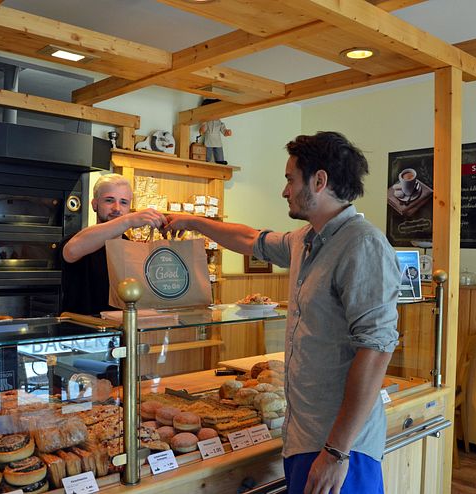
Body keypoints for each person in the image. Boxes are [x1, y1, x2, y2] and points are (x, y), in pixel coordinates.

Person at [164, 131, 399, 493]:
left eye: (290, 179)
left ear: (319, 181)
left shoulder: (362, 244)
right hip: (304, 436)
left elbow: (376, 350)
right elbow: (249, 239)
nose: (284, 190)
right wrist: (192, 223)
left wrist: (336, 452)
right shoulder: (305, 239)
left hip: (342, 447)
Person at [61, 173, 166, 315]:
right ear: (94, 204)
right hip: (83, 331)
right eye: (109, 200)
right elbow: (71, 251)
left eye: (123, 202)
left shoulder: (132, 249)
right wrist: (127, 221)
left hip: (123, 331)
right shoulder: (80, 239)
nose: (117, 208)